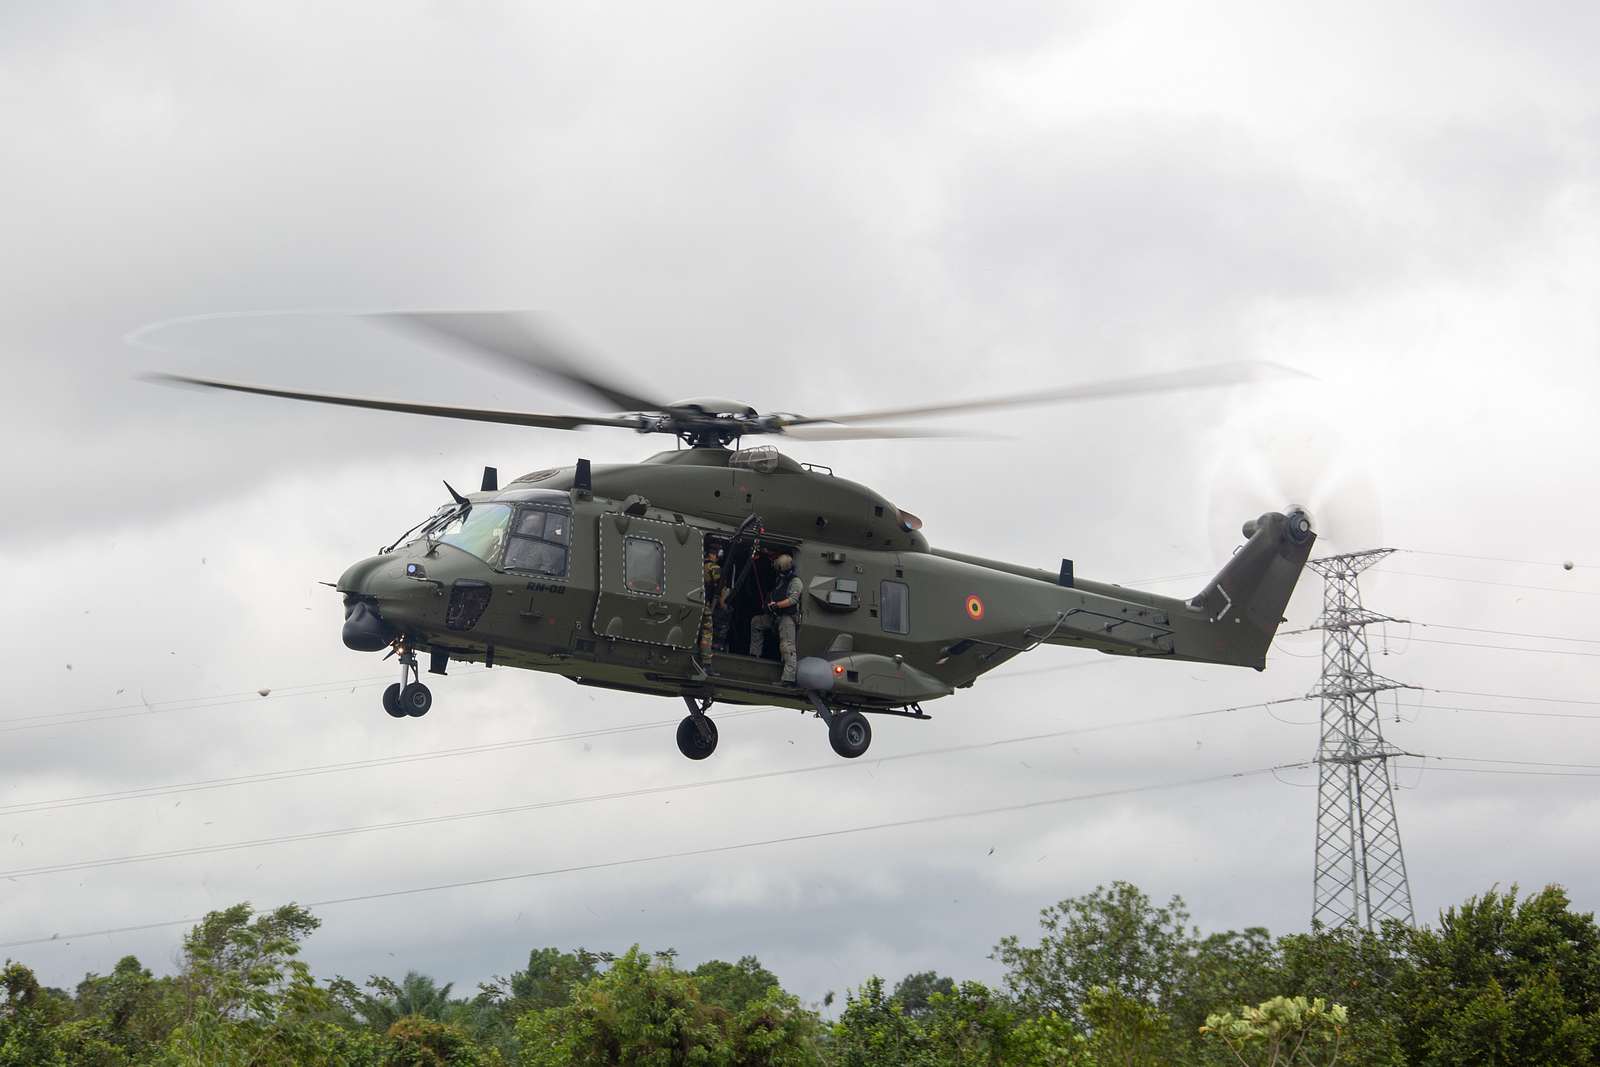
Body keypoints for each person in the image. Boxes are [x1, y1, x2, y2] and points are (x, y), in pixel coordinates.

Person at [750, 552, 802, 684]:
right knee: (756, 622)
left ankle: (788, 679)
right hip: (775, 616)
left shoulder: (795, 582)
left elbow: (793, 600)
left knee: (787, 646)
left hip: (787, 617)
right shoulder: (780, 579)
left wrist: (777, 605)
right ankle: (754, 655)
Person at [698, 546, 731, 656]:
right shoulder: (714, 567)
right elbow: (721, 587)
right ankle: (708, 656)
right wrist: (722, 602)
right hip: (706, 603)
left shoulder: (698, 564)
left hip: (696, 600)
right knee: (708, 630)